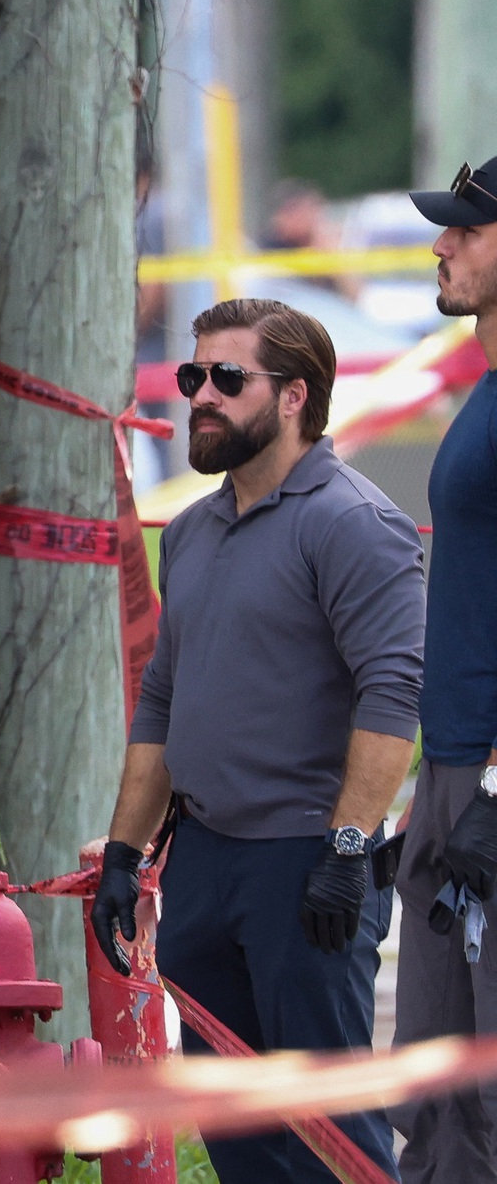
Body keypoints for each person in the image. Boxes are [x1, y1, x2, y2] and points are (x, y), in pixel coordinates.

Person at [91, 297, 423, 1182]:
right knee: (241, 1144)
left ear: (292, 397)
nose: (200, 394)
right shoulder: (194, 532)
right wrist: (124, 854)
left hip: (304, 865)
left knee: (334, 1141)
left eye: (226, 379)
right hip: (204, 862)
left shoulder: (354, 522)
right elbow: (164, 697)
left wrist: (348, 851)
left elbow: (394, 693)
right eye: (192, 375)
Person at [389, 153, 497, 1181]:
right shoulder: (484, 393)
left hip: (487, 777)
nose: (440, 244)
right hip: (451, 766)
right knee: (435, 1088)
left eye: (464, 228)